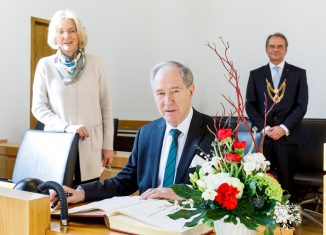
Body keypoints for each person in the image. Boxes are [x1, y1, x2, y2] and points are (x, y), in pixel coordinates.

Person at [57, 61, 215, 204]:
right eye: (160, 93)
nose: (167, 101)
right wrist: (81, 193)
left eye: (175, 91)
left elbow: (230, 187)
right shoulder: (146, 133)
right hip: (148, 218)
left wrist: (185, 193)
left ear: (191, 90)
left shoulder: (217, 132)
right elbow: (125, 181)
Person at [32, 9, 114, 184]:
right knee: (57, 202)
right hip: (58, 144)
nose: (66, 36)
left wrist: (108, 146)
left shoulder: (96, 64)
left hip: (90, 146)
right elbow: (38, 108)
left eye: (71, 30)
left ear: (79, 34)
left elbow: (106, 107)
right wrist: (66, 126)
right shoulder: (45, 65)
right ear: (55, 36)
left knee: (87, 199)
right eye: (60, 31)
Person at [245, 32, 308, 194]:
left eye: (280, 46)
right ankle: (263, 219)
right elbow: (250, 105)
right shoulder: (256, 74)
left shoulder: (298, 74)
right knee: (261, 184)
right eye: (272, 46)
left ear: (286, 49)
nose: (276, 49)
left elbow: (301, 106)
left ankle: (287, 218)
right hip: (263, 139)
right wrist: (265, 128)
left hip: (288, 137)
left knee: (287, 184)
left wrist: (283, 128)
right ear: (266, 50)